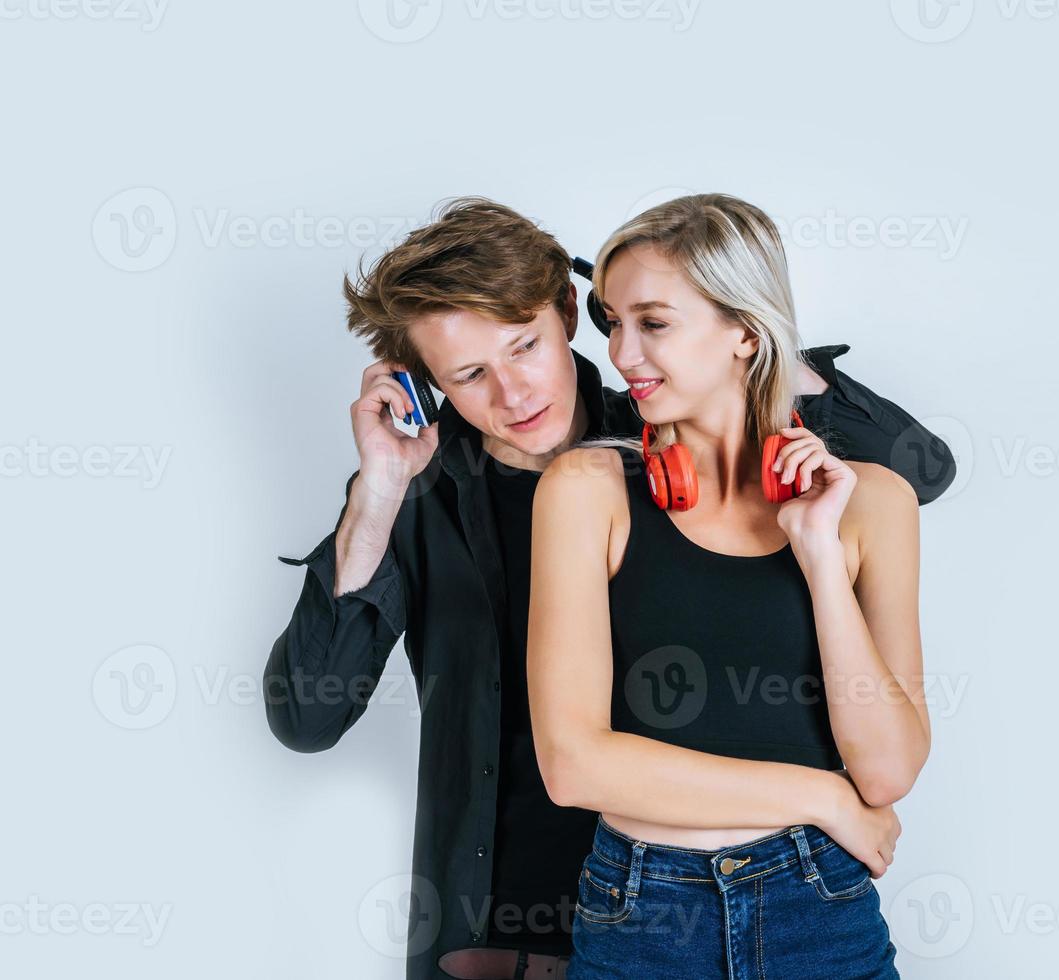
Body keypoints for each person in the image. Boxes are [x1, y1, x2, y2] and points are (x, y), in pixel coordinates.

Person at [263, 197, 954, 980]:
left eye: (525, 347)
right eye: (469, 374)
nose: (514, 393)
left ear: (568, 312)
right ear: (429, 386)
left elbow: (920, 472)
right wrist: (379, 490)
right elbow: (306, 719)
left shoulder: (660, 420)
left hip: (700, 886)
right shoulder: (410, 492)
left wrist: (744, 325)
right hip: (504, 933)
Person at [526, 194, 930, 978]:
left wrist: (817, 559)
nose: (622, 353)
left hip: (821, 910)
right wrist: (825, 800)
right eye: (612, 322)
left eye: (653, 322)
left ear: (746, 330)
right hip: (642, 915)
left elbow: (887, 771)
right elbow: (574, 765)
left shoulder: (873, 502)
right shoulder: (587, 489)